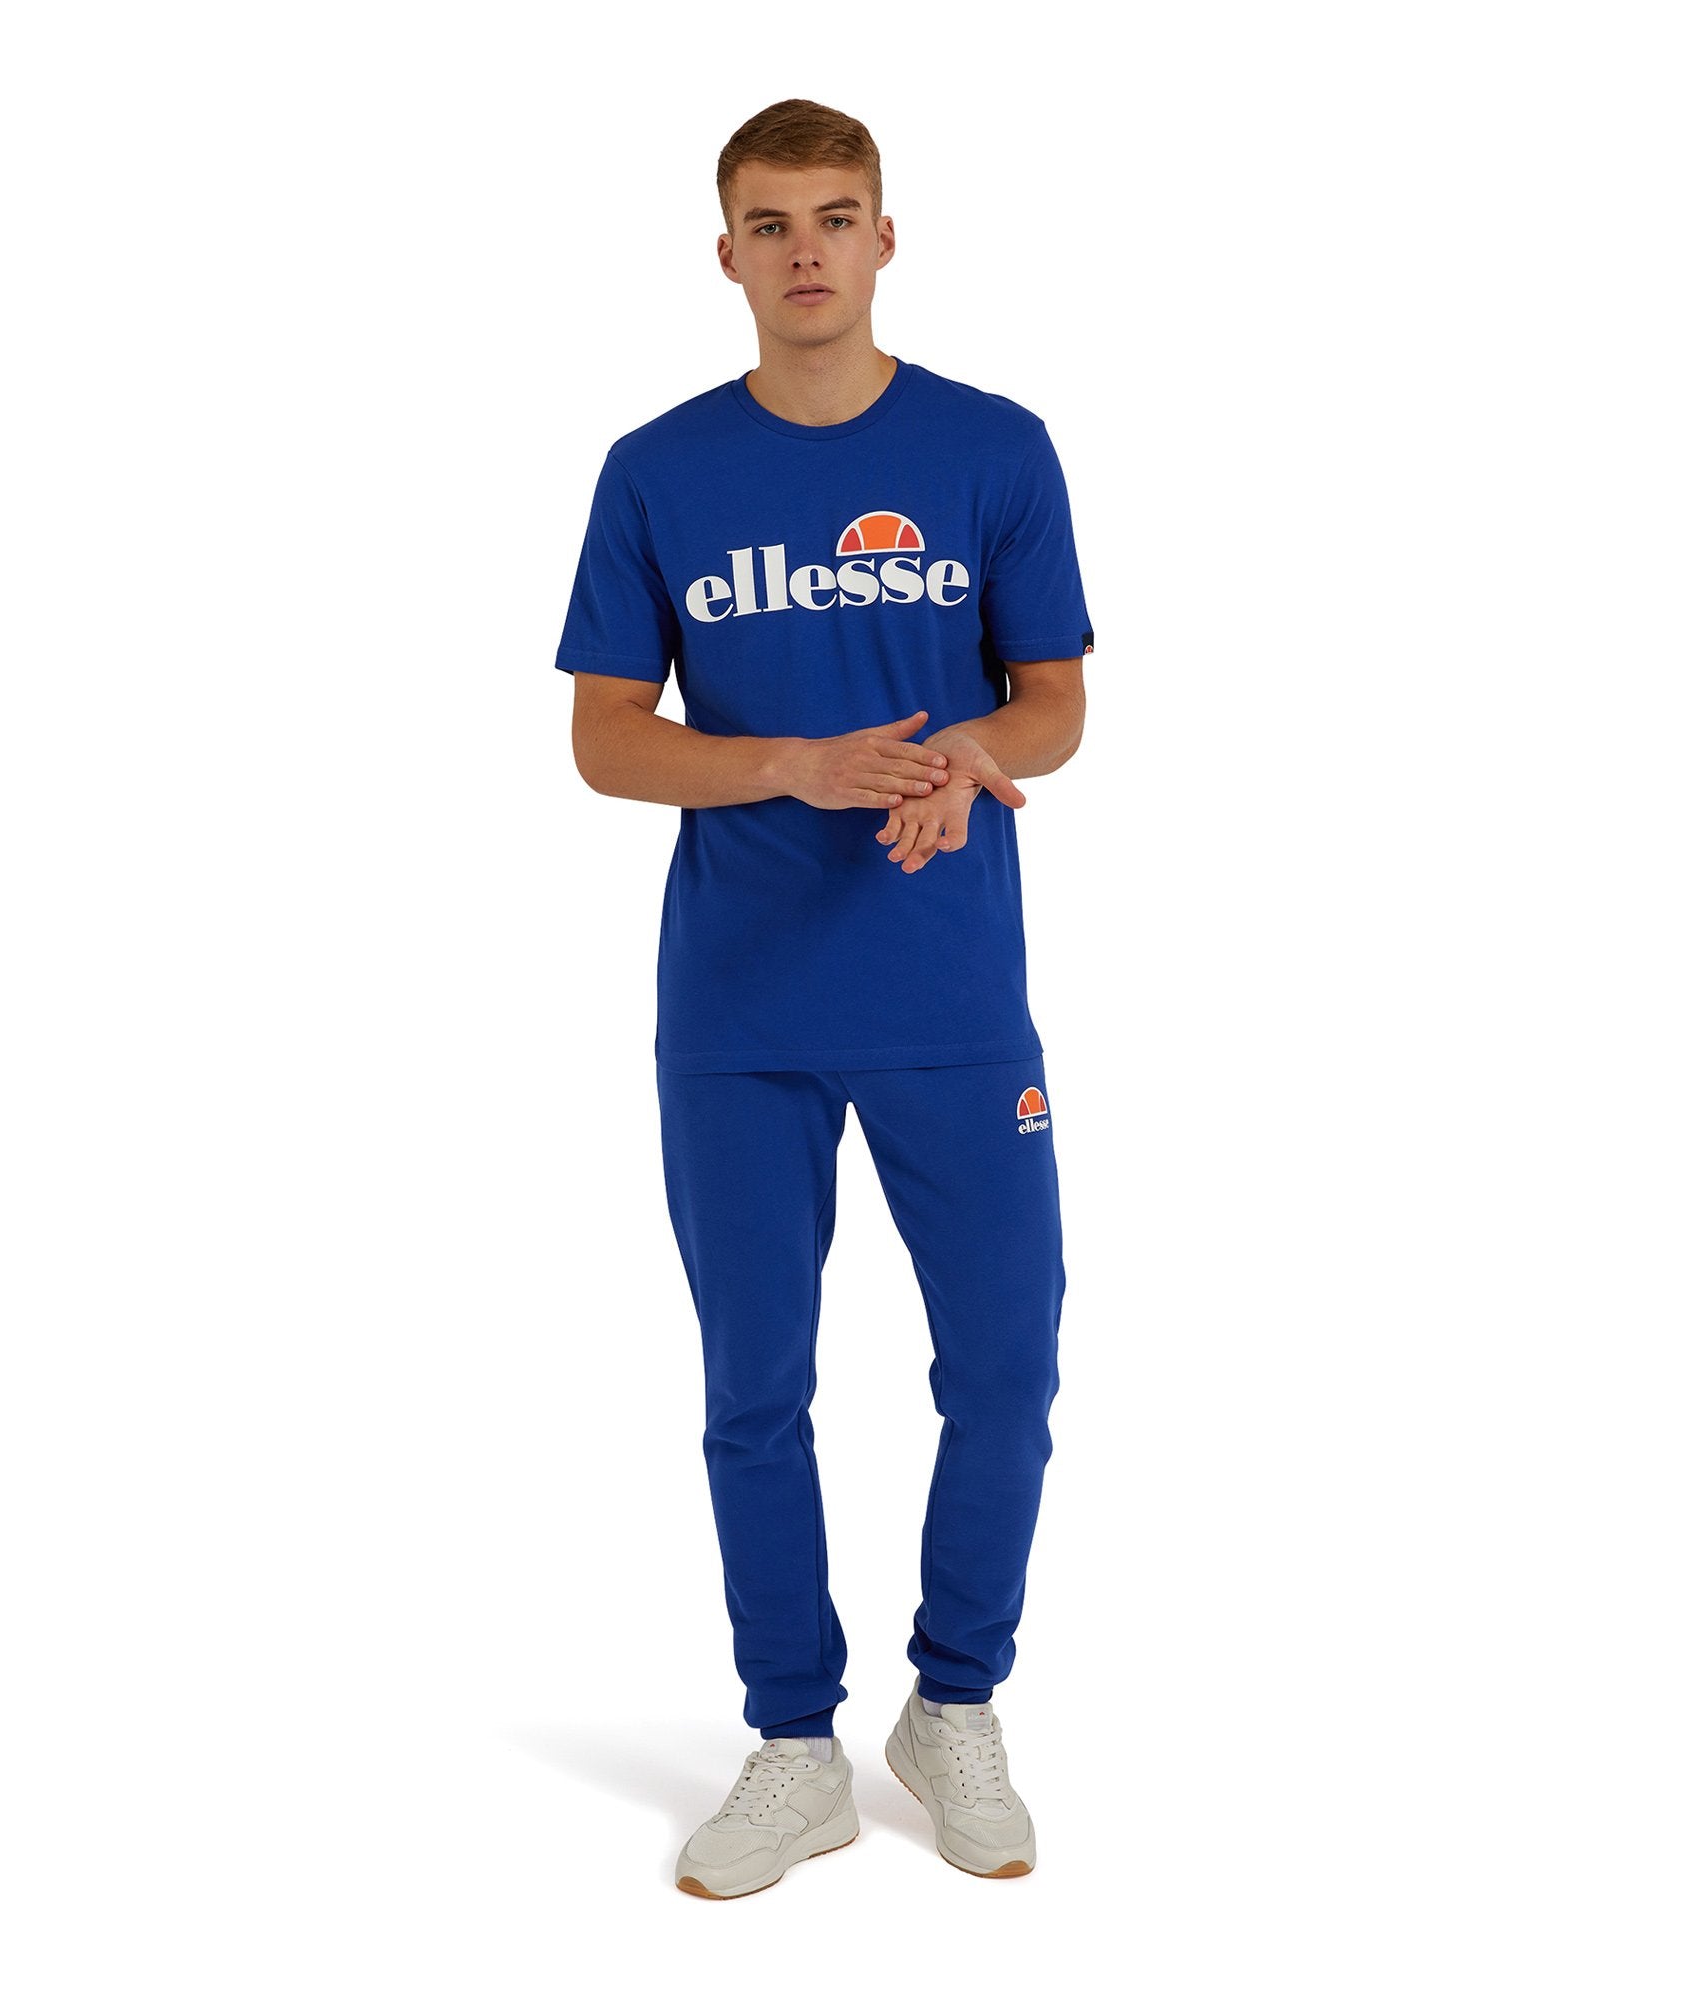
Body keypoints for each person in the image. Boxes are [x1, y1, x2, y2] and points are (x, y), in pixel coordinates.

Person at [553, 98, 1094, 1898]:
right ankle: (794, 1742)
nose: (806, 251)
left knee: (1006, 1365)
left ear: (885, 239)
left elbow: (1054, 706)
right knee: (754, 1386)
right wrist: (786, 764)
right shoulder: (658, 470)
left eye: (837, 215)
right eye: (773, 223)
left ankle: (956, 1705)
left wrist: (962, 760)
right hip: (741, 1010)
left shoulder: (994, 448)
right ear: (727, 254)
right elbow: (607, 742)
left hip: (952, 992)